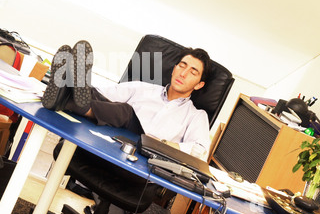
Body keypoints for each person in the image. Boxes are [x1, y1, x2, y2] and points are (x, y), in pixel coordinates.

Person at [42, 40, 211, 159]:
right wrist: (87, 89)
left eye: (193, 72)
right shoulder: (143, 88)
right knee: (93, 94)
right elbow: (102, 94)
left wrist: (163, 144)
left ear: (199, 85)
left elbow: (200, 150)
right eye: (182, 66)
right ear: (174, 69)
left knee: (126, 111)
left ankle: (63, 97)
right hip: (113, 139)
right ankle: (65, 92)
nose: (183, 73)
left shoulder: (196, 115)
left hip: (143, 153)